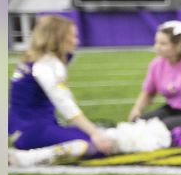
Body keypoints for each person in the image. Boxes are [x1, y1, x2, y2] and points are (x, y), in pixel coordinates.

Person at [7, 15, 115, 166]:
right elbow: (65, 104)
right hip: (33, 132)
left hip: (23, 130)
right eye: (72, 36)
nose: (76, 41)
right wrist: (95, 133)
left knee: (96, 136)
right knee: (96, 145)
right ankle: (24, 159)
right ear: (58, 38)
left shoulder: (33, 59)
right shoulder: (46, 64)